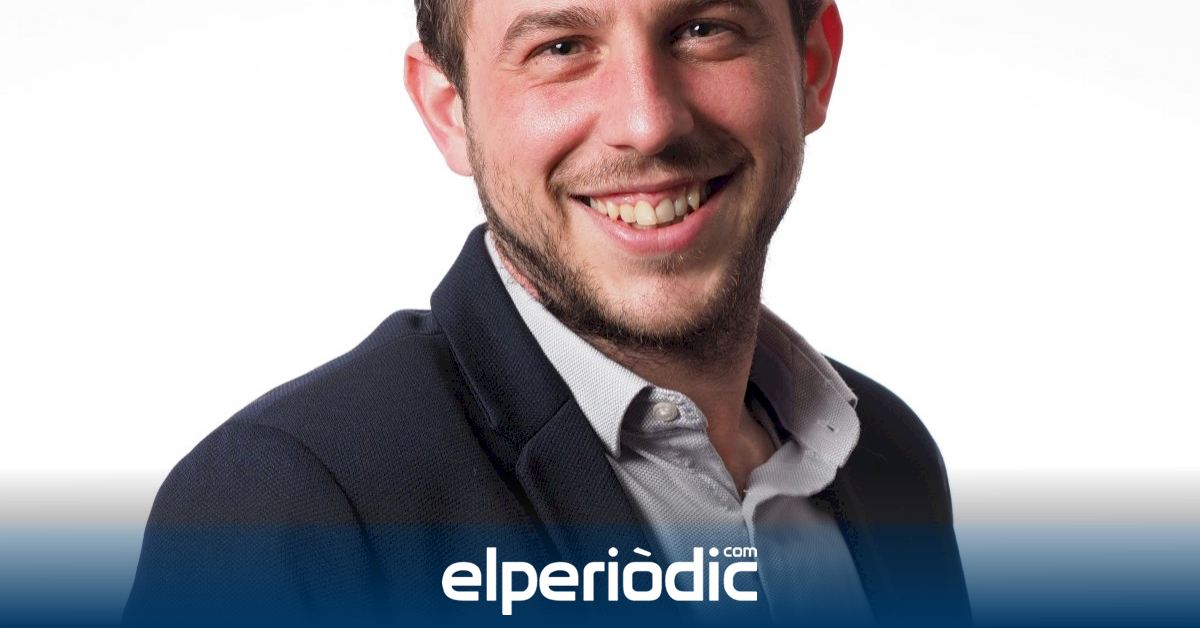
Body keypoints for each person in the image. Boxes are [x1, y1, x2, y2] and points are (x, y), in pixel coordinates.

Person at [124, 0, 972, 625]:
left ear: (812, 66)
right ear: (448, 111)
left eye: (703, 28)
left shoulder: (888, 458)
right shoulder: (284, 507)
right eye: (560, 47)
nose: (647, 122)